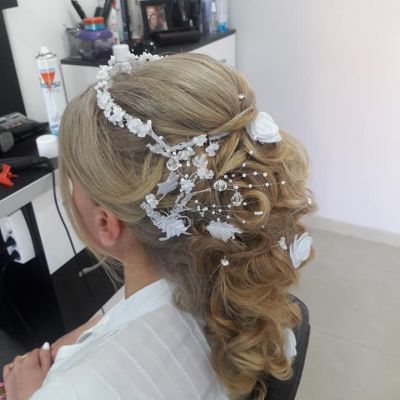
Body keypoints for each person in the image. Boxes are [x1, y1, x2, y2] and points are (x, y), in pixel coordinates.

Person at [2, 53, 316, 399]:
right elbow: (121, 317)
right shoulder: (221, 276)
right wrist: (77, 346)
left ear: (106, 223)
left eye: (74, 182)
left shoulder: (72, 391)